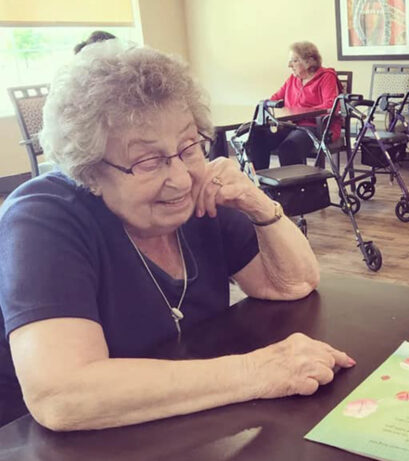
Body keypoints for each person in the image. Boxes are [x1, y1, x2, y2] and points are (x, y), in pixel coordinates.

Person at [0, 40, 354, 431]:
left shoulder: (200, 195)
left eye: (189, 146)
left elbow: (293, 283)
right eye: (148, 161)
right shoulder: (42, 218)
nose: (182, 179)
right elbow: (62, 396)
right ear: (89, 171)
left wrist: (256, 201)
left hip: (174, 419)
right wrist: (257, 371)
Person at [245, 41, 340, 170]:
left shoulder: (326, 77)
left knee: (289, 147)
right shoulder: (293, 79)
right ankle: (260, 183)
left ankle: (294, 188)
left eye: (294, 61)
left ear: (309, 61)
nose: (289, 65)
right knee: (257, 137)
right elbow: (274, 99)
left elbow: (331, 107)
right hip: (289, 125)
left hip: (315, 127)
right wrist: (266, 105)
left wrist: (298, 115)